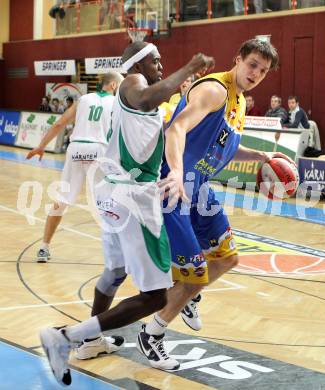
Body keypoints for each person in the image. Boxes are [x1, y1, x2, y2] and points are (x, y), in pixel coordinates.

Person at [39, 42, 214, 386]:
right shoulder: (132, 84)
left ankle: (90, 343)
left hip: (111, 191)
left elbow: (156, 111)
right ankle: (67, 336)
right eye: (157, 60)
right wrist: (190, 67)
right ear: (138, 63)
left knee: (114, 271)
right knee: (156, 296)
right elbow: (148, 98)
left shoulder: (141, 94)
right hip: (132, 197)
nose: (162, 65)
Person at [138, 39, 293, 370]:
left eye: (263, 71)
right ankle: (152, 333)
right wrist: (177, 173)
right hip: (173, 185)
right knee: (191, 275)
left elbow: (224, 146)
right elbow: (176, 128)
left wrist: (259, 155)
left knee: (228, 258)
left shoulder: (238, 100)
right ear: (238, 59)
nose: (256, 74)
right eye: (252, 65)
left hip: (199, 187)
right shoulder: (215, 91)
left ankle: (189, 296)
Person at [26, 72, 123, 263]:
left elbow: (60, 123)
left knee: (62, 199)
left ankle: (44, 247)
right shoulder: (116, 103)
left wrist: (41, 146)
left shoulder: (83, 99)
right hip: (99, 149)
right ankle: (118, 252)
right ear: (112, 85)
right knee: (108, 203)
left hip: (77, 148)